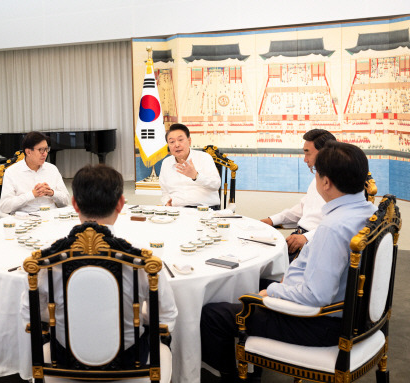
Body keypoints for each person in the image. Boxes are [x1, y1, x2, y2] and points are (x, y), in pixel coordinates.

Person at [200, 142, 377, 383]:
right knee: (253, 283)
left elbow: (316, 296)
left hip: (318, 323)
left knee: (212, 314)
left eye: (317, 173)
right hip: (355, 315)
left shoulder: (333, 228)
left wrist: (271, 292)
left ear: (326, 183)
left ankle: (232, 377)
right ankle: (254, 367)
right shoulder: (367, 212)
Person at [22, 164, 178, 365]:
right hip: (130, 360)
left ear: (74, 204)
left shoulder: (46, 259)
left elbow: (29, 313)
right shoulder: (143, 260)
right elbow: (167, 317)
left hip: (64, 360)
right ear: (121, 204)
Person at [260, 129, 336, 259]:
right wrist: (271, 220)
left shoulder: (338, 183)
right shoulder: (318, 177)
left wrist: (306, 237)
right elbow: (302, 209)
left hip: (315, 244)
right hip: (299, 238)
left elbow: (337, 223)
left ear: (324, 153)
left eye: (308, 153)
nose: (305, 160)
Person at [0, 131, 70, 213]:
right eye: (41, 150)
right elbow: (5, 207)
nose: (45, 154)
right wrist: (31, 195)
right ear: (28, 152)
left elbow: (65, 202)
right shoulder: (12, 172)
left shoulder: (52, 169)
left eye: (46, 149)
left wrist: (52, 193)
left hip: (51, 216)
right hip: (26, 219)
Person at [159, 123, 221, 208]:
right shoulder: (166, 163)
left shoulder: (204, 158)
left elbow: (216, 185)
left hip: (204, 210)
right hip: (177, 211)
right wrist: (166, 203)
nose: (176, 145)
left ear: (189, 141)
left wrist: (196, 176)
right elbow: (164, 191)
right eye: (172, 142)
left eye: (180, 140)